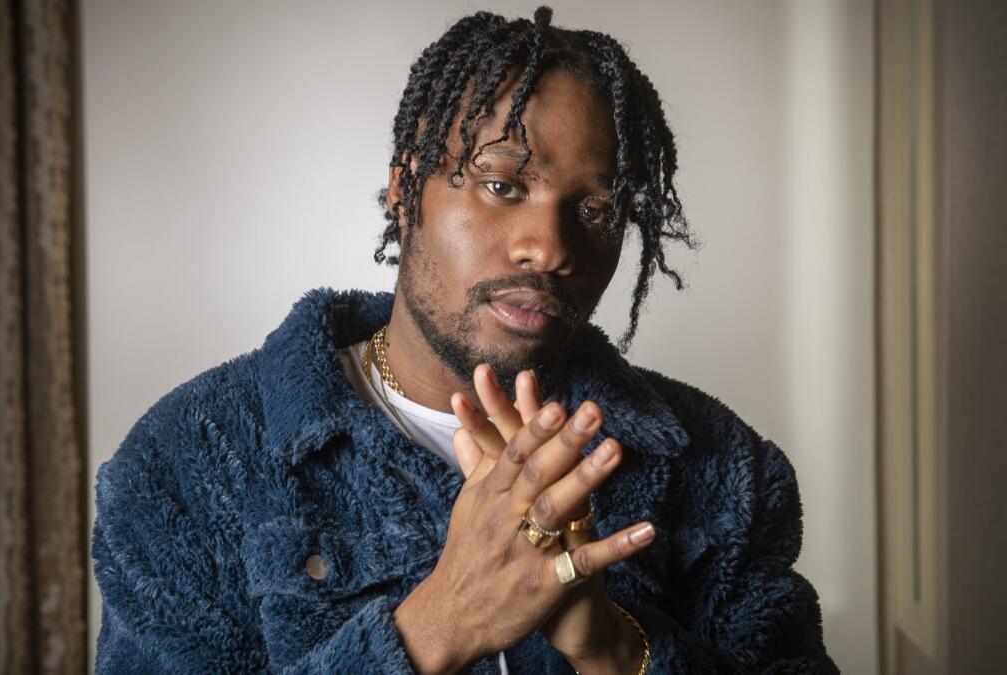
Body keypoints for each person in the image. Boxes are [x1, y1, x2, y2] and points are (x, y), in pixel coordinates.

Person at [92, 7, 837, 674]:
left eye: (594, 209)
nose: (547, 247)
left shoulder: (723, 470)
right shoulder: (186, 464)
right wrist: (435, 625)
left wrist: (616, 647)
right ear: (403, 185)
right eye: (502, 184)